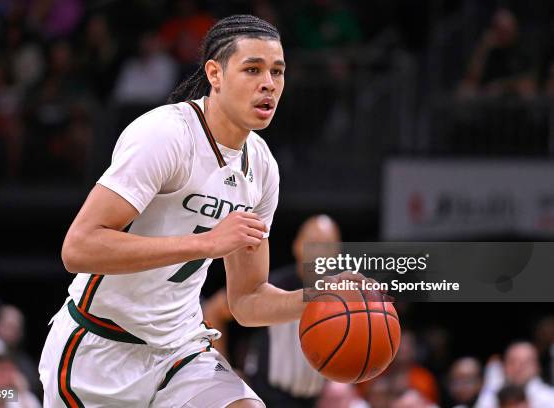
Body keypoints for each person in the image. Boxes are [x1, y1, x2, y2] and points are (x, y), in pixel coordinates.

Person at [39, 14, 372, 408]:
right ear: (214, 73)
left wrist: (320, 298)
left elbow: (246, 301)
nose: (269, 83)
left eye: (277, 72)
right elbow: (78, 249)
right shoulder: (165, 136)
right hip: (98, 352)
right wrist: (206, 244)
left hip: (182, 351)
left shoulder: (262, 167)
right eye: (253, 69)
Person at [205, 215, 341, 407]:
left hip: (311, 400)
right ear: (297, 246)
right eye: (313, 244)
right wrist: (224, 370)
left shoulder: (338, 298)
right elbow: (213, 311)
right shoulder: (272, 288)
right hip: (266, 397)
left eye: (326, 245)